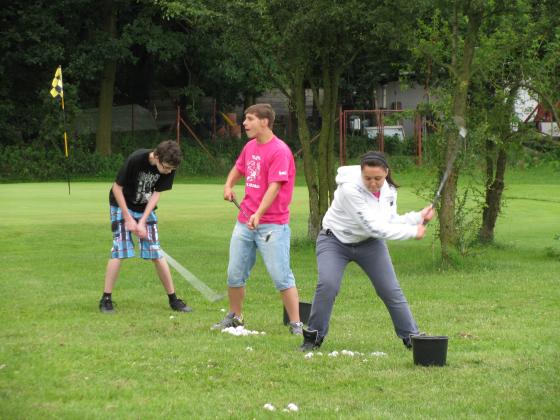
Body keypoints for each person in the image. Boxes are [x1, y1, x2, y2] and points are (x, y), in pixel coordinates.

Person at [300, 151, 434, 350]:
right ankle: (313, 337)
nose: (373, 183)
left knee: (389, 289)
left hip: (370, 244)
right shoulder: (349, 190)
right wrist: (412, 232)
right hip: (334, 241)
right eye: (368, 178)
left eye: (378, 178)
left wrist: (417, 217)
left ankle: (412, 337)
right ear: (361, 174)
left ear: (386, 173)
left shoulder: (388, 190)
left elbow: (386, 221)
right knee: (328, 285)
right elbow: (373, 226)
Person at [211, 103, 303, 335]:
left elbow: (275, 187)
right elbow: (238, 167)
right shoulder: (250, 147)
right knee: (234, 273)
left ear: (264, 122)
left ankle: (296, 324)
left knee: (281, 276)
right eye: (245, 119)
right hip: (244, 222)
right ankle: (235, 317)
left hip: (272, 224)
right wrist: (228, 184)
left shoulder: (279, 151)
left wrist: (259, 214)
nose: (244, 123)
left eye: (250, 119)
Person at [99, 140, 192, 314]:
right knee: (120, 250)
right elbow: (117, 188)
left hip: (145, 209)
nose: (168, 171)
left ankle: (173, 299)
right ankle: (106, 299)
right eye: (165, 168)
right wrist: (128, 218)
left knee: (156, 252)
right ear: (156, 156)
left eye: (171, 169)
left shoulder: (170, 165)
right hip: (121, 205)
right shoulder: (136, 159)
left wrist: (142, 221)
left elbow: (157, 194)